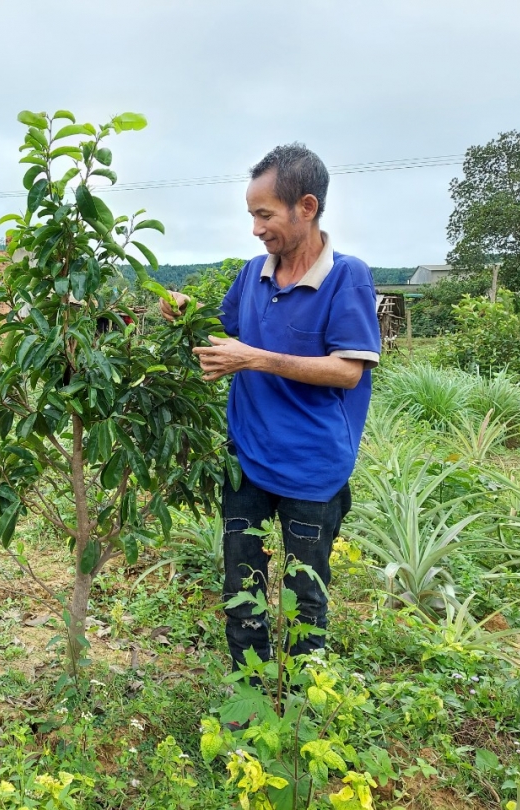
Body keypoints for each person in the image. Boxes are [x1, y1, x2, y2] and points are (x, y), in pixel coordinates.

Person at [161, 144, 380, 674]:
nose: (256, 228)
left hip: (313, 470)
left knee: (306, 594)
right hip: (248, 462)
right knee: (242, 586)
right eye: (252, 215)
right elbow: (229, 337)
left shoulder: (346, 276)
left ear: (306, 207)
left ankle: (303, 703)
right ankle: (251, 690)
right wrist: (186, 317)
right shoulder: (253, 274)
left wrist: (255, 358)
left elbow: (348, 369)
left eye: (265, 214)